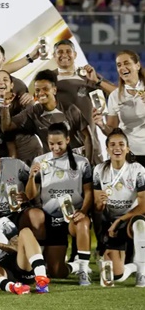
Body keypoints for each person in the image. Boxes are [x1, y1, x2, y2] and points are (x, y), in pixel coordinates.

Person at [25, 123, 93, 284]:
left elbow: (89, 192)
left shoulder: (82, 162)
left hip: (73, 215)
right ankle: (74, 266)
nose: (56, 147)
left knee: (83, 223)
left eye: (60, 143)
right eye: (52, 144)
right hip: (51, 217)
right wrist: (31, 177)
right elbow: (30, 195)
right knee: (56, 272)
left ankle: (84, 270)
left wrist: (83, 210)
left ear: (68, 140)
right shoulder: (40, 161)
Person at [1, 70, 94, 163]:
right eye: (37, 90)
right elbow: (6, 127)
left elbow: (87, 136)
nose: (41, 93)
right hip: (53, 165)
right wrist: (5, 105)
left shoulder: (69, 109)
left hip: (76, 161)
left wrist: (87, 164)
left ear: (54, 90)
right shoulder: (33, 112)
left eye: (45, 89)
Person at [0, 195, 51, 295]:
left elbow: (18, 248)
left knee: (25, 231)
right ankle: (12, 287)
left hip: (19, 264)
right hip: (2, 272)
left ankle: (41, 280)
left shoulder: (1, 222)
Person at [93, 128, 145, 287]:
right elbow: (97, 207)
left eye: (121, 144)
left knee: (140, 223)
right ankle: (128, 263)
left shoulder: (138, 170)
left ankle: (142, 273)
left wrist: (120, 220)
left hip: (129, 220)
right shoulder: (99, 170)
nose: (117, 148)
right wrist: (100, 203)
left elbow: (143, 205)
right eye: (113, 145)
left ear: (127, 148)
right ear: (107, 149)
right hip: (110, 225)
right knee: (116, 275)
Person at [51, 39, 114, 165]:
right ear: (54, 56)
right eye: (60, 52)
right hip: (62, 143)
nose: (64, 55)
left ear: (75, 55)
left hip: (91, 139)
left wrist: (97, 81)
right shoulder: (48, 78)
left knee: (94, 179)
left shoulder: (88, 74)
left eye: (68, 51)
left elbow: (115, 93)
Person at [95, 50, 145, 165]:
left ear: (137, 65)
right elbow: (112, 130)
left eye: (126, 63)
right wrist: (102, 125)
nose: (122, 67)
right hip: (129, 154)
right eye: (119, 65)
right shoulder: (115, 96)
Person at [0, 70, 43, 165]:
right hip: (14, 157)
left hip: (35, 152)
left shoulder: (23, 101)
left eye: (5, 79)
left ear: (11, 85)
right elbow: (6, 134)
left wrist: (32, 99)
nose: (1, 82)